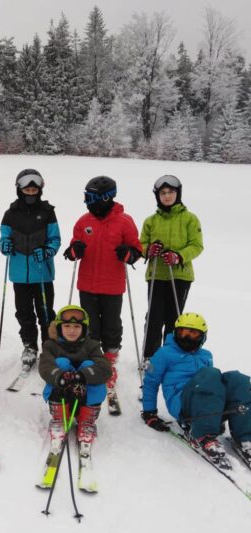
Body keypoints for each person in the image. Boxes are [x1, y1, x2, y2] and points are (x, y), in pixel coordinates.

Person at [63, 175, 142, 404]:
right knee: (89, 325)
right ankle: (93, 359)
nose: (88, 202)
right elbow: (73, 247)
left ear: (106, 198)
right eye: (86, 197)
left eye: (91, 198)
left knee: (111, 325)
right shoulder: (83, 221)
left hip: (112, 284)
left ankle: (109, 362)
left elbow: (137, 249)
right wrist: (74, 251)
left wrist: (129, 254)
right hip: (87, 283)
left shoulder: (124, 221)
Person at [141, 312, 251, 467]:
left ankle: (245, 437)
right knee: (210, 374)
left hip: (204, 401)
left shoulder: (206, 355)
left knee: (237, 380)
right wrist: (149, 412)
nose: (187, 337)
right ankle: (204, 435)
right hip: (182, 403)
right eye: (183, 332)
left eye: (193, 334)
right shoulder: (164, 354)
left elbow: (213, 387)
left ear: (202, 336)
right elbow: (151, 382)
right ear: (176, 332)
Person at [0, 169, 61, 367]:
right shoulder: (10, 214)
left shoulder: (47, 212)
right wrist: (5, 245)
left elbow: (55, 239)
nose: (31, 193)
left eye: (34, 190)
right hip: (19, 275)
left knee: (46, 313)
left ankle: (49, 347)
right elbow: (4, 238)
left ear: (40, 190)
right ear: (19, 190)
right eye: (27, 190)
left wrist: (47, 251)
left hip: (42, 274)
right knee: (24, 313)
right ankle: (30, 346)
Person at [140, 175, 204, 362]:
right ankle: (150, 356)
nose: (167, 196)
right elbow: (141, 245)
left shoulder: (190, 219)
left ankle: (170, 354)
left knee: (173, 317)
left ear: (178, 194)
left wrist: (179, 256)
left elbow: (197, 245)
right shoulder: (151, 221)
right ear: (158, 196)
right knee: (154, 317)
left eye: (170, 192)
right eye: (163, 193)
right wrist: (149, 250)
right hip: (156, 275)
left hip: (180, 275)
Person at [39, 306, 111, 454]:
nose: (72, 330)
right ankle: (60, 419)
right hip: (62, 394)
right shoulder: (50, 345)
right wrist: (61, 376)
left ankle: (86, 421)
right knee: (60, 363)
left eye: (77, 326)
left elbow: (105, 368)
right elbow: (45, 366)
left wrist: (82, 376)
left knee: (91, 366)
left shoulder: (92, 345)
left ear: (84, 328)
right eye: (67, 326)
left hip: (84, 397)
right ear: (59, 327)